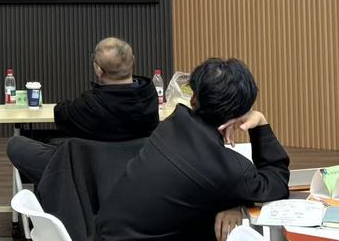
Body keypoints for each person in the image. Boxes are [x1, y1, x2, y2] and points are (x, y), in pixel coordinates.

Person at [95, 58, 290, 241]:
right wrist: (260, 123)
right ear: (239, 113)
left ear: (194, 98)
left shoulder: (170, 126)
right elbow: (277, 184)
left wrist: (233, 201)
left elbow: (197, 185)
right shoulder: (228, 170)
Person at [7, 37, 159, 185]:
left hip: (91, 170)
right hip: (136, 167)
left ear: (98, 70)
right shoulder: (150, 96)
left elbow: (61, 114)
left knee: (17, 145)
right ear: (133, 61)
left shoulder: (90, 105)